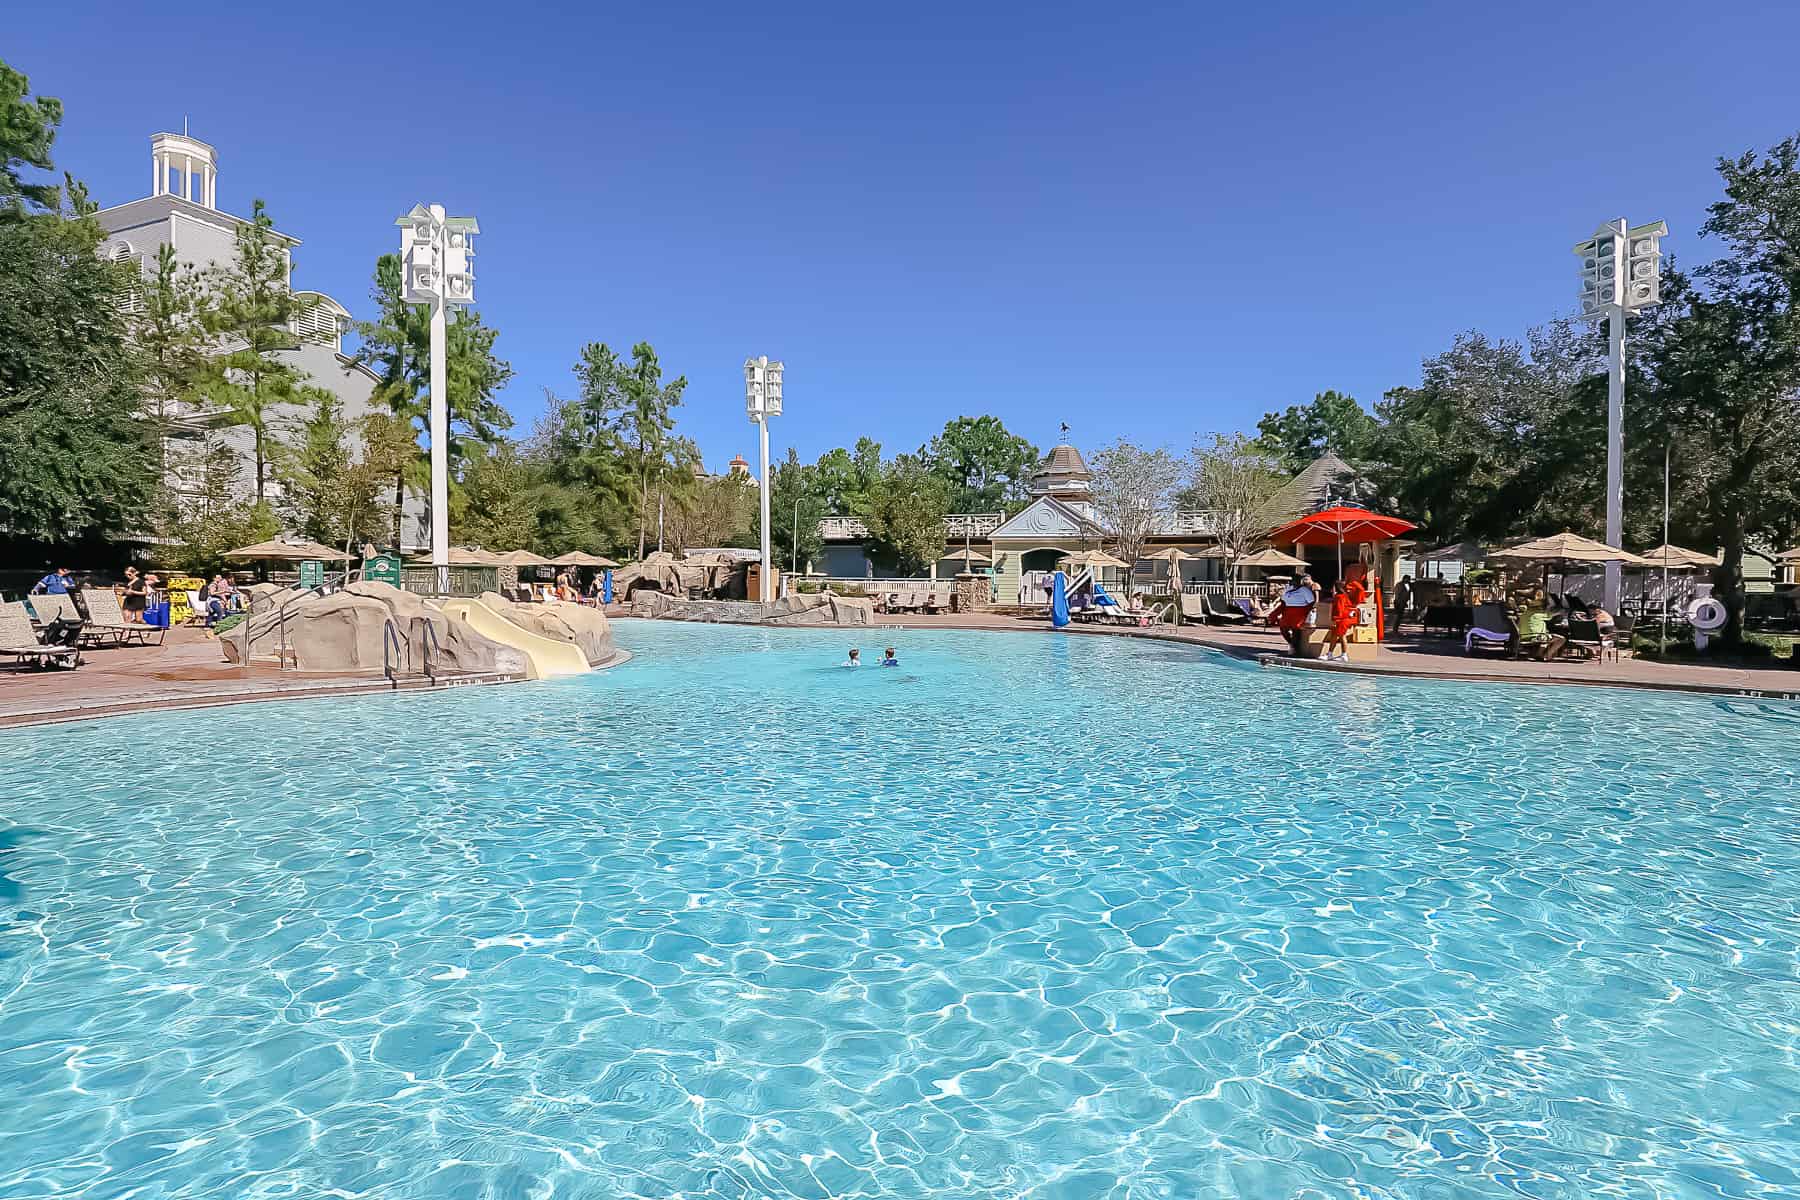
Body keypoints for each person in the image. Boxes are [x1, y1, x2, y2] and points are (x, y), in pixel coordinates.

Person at [1516, 588, 1566, 661]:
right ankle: (1547, 656)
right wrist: (1562, 611)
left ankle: (1539, 654)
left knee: (1546, 636)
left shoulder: (1524, 614)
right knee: (1561, 639)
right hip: (1536, 636)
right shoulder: (1540, 614)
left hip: (1523, 637)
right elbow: (1553, 614)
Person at [1275, 574, 1318, 655]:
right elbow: (1283, 598)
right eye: (1293, 580)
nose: (1294, 581)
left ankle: (1294, 648)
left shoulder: (1304, 590)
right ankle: (1291, 643)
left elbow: (1311, 601)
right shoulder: (1289, 588)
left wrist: (1309, 610)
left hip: (1299, 610)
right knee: (1283, 627)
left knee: (1296, 628)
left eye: (1296, 580)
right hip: (1288, 610)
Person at [1322, 581, 1355, 662]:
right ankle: (1330, 653)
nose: (1331, 589)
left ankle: (1343, 654)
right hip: (1344, 619)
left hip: (1341, 619)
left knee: (1341, 636)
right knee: (1334, 635)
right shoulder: (1343, 596)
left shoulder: (1339, 597)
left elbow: (1339, 610)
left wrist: (1335, 620)